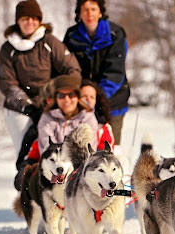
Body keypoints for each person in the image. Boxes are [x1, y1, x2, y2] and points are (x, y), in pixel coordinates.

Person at [0, 0, 81, 171]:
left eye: (35, 18)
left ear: (39, 20)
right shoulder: (8, 49)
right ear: (18, 21)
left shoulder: (49, 42)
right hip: (19, 108)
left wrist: (60, 94)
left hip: (49, 104)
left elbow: (73, 69)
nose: (30, 22)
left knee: (51, 148)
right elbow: (7, 82)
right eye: (26, 18)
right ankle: (25, 182)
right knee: (26, 149)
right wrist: (27, 105)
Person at [64, 0, 130, 145]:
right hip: (82, 104)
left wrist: (97, 97)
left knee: (110, 151)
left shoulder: (115, 34)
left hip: (112, 103)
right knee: (82, 150)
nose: (90, 14)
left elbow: (115, 72)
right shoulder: (71, 36)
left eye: (93, 9)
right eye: (85, 10)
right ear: (79, 13)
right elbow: (68, 69)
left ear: (100, 12)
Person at [37, 75, 98, 153]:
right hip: (55, 162)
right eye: (61, 95)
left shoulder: (88, 118)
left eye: (71, 95)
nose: (66, 100)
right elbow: (47, 149)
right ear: (56, 98)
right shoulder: (47, 118)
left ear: (78, 97)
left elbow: (88, 151)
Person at [80, 79, 115, 150]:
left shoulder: (103, 127)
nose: (88, 99)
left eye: (92, 97)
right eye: (84, 96)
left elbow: (106, 152)